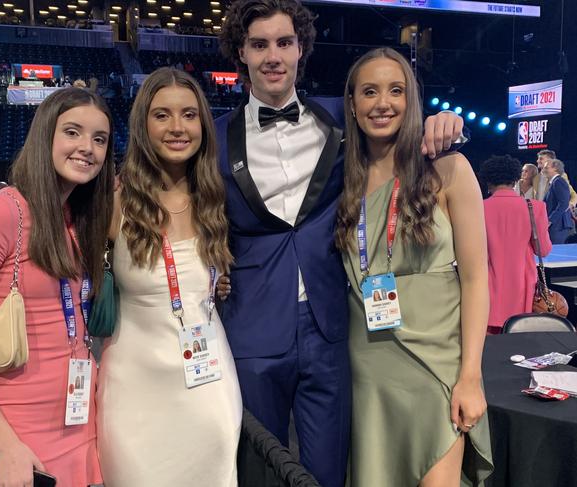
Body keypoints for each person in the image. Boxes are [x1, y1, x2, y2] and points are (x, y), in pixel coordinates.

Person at [216, 1, 464, 486]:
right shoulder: (213, 133)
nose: (273, 55)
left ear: (301, 48)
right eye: (259, 44)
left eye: (284, 42)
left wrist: (441, 122)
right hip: (252, 327)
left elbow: (391, 118)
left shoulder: (339, 119)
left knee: (329, 472)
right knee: (256, 470)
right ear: (241, 52)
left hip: (334, 329)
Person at [0, 87, 113, 487]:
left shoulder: (79, 219)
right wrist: (5, 443)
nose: (87, 147)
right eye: (73, 132)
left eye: (99, 139)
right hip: (19, 435)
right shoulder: (2, 211)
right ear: (45, 135)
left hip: (80, 423)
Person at [336, 47, 493, 486]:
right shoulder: (339, 179)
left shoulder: (449, 169)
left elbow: (477, 278)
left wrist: (471, 377)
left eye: (396, 90)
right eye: (369, 92)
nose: (382, 103)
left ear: (412, 101)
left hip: (437, 371)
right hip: (368, 371)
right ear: (352, 104)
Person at [96, 67, 242, 486]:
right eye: (162, 115)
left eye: (189, 115)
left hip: (209, 391)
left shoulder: (214, 199)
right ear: (143, 124)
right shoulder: (113, 202)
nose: (177, 127)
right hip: (133, 400)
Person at [480, 155, 551, 333]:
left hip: (486, 287)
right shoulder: (536, 207)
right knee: (520, 343)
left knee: (489, 345)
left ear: (488, 181)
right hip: (523, 287)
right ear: (515, 179)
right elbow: (544, 249)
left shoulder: (478, 208)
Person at [543, 158, 575, 244]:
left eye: (546, 168)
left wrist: (550, 220)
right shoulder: (554, 183)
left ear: (555, 168)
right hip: (556, 225)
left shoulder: (559, 181)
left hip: (559, 225)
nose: (543, 170)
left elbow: (564, 204)